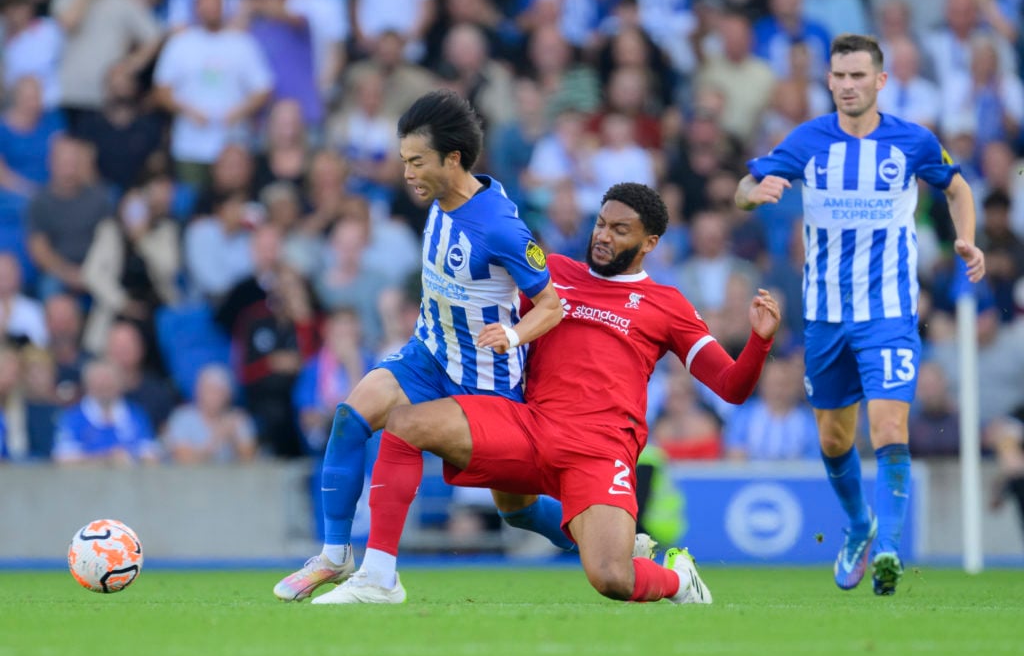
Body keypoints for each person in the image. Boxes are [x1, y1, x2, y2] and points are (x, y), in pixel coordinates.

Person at [309, 182, 780, 605]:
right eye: (601, 223)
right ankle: (379, 576)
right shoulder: (554, 273)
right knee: (408, 425)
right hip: (530, 424)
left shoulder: (666, 304)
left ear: (650, 243)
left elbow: (731, 388)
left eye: (620, 229)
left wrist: (759, 341)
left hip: (600, 448)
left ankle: (676, 580)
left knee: (611, 577)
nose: (603, 235)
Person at [273, 90, 563, 601]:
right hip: (428, 356)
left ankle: (621, 545)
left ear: (453, 159)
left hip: (486, 386)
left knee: (518, 510)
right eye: (404, 160)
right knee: (349, 418)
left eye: (417, 161)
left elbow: (552, 306)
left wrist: (514, 335)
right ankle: (337, 558)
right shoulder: (438, 200)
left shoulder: (499, 225)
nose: (407, 172)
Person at [735, 33, 986, 596]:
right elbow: (742, 189)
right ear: (828, 81)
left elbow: (958, 186)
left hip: (889, 314)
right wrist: (757, 192)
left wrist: (966, 240)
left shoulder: (912, 141)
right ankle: (859, 527)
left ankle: (890, 552)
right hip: (825, 316)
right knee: (833, 440)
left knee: (890, 427)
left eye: (858, 76)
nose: (848, 85)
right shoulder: (807, 140)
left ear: (880, 81)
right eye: (839, 76)